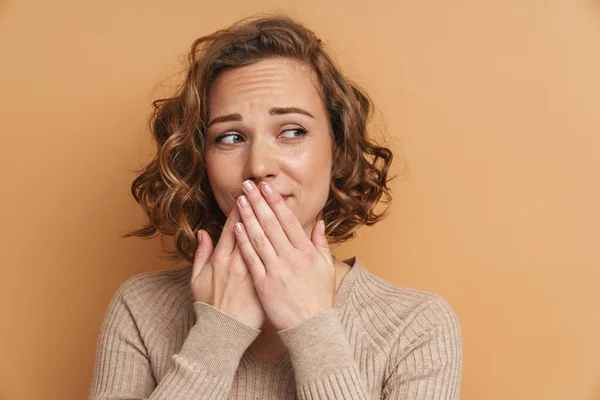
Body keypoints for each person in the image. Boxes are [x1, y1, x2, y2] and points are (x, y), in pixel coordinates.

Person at [89, 13, 462, 400]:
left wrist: (312, 329)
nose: (258, 167)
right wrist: (217, 335)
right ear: (202, 158)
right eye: (230, 137)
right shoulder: (142, 309)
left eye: (292, 131)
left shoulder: (416, 326)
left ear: (337, 147)